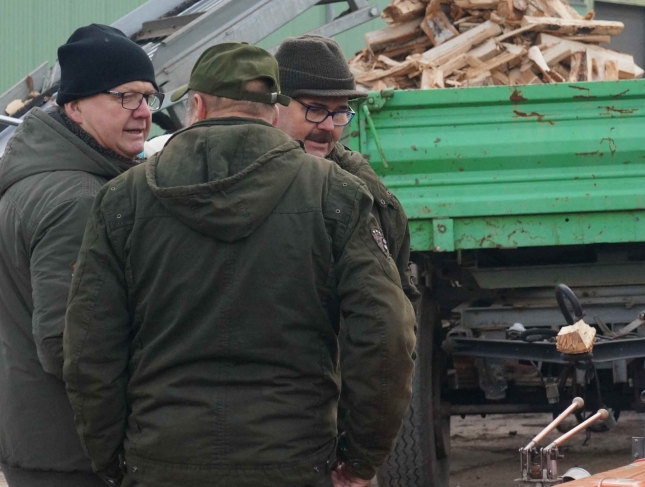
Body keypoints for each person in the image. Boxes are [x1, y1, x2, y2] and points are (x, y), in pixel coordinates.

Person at [63, 42, 416, 487]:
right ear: (273, 111)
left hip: (162, 457)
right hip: (294, 459)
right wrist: (360, 458)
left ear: (196, 106)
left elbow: (89, 348)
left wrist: (111, 457)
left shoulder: (122, 199)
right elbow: (387, 334)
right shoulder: (335, 194)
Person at [0, 24, 161, 487]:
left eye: (148, 97)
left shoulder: (50, 178)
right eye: (125, 97)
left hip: (46, 438)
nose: (143, 112)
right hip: (73, 452)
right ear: (75, 106)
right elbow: (69, 344)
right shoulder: (78, 199)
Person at [274, 34, 420, 306]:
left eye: (340, 112)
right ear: (275, 107)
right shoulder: (244, 181)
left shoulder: (367, 192)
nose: (329, 126)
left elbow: (397, 298)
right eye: (316, 110)